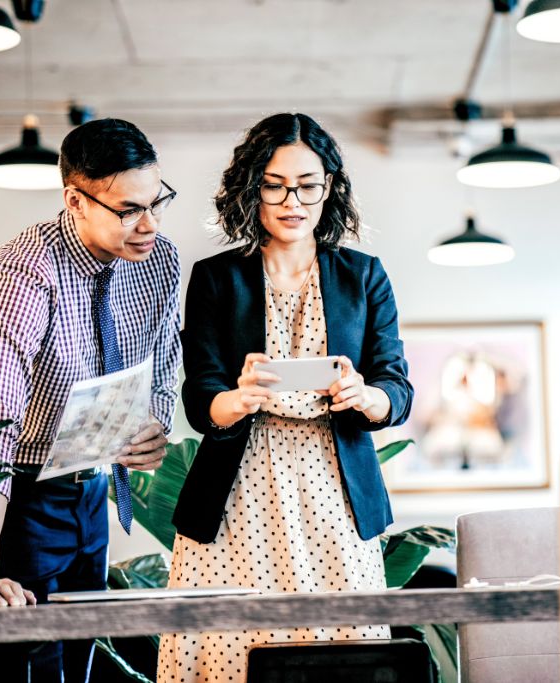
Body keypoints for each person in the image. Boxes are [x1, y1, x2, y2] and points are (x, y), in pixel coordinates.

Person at [159, 112, 412, 682]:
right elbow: (201, 399)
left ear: (330, 189)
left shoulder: (364, 277)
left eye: (308, 185)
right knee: (229, 648)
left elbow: (396, 389)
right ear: (251, 188)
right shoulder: (216, 278)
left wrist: (363, 394)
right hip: (239, 489)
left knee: (340, 652)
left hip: (334, 492)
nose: (291, 200)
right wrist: (240, 396)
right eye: (274, 184)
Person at [0, 118, 182, 682]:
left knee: (80, 666)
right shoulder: (23, 271)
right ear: (76, 201)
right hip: (26, 504)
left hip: (95, 495)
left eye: (156, 202)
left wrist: (154, 426)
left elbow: (161, 364)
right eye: (128, 209)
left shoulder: (160, 260)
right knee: (25, 671)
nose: (148, 224)